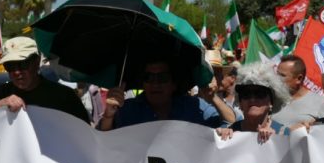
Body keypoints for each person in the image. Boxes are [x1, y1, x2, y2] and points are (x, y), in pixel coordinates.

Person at [99, 57, 231, 131]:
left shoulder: (195, 108)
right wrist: (108, 116)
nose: (155, 84)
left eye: (162, 78)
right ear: (143, 83)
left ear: (174, 84)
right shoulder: (126, 109)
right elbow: (101, 142)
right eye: (148, 77)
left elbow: (232, 123)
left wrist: (212, 97)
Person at [0, 36, 89, 124]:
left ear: (37, 62)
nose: (16, 72)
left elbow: (84, 135)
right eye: (10, 66)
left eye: (23, 64)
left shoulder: (64, 97)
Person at [216, 62, 291, 143]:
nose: (252, 99)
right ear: (240, 102)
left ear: (271, 102)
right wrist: (221, 139)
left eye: (259, 93)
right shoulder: (228, 130)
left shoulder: (285, 134)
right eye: (246, 94)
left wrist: (276, 141)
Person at [271, 54, 324, 127]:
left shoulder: (319, 103)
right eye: (277, 74)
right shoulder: (270, 98)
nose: (277, 79)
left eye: (282, 75)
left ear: (299, 79)